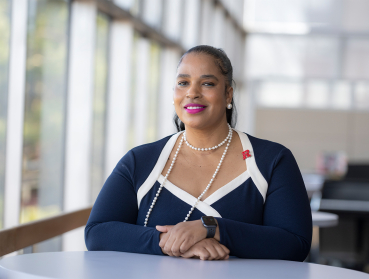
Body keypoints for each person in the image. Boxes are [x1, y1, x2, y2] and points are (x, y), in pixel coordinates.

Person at [85, 45, 312, 261]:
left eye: (208, 84)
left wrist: (211, 228)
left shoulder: (272, 160)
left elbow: (295, 243)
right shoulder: (140, 160)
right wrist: (168, 242)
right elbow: (97, 232)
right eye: (183, 82)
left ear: (228, 95)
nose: (192, 93)